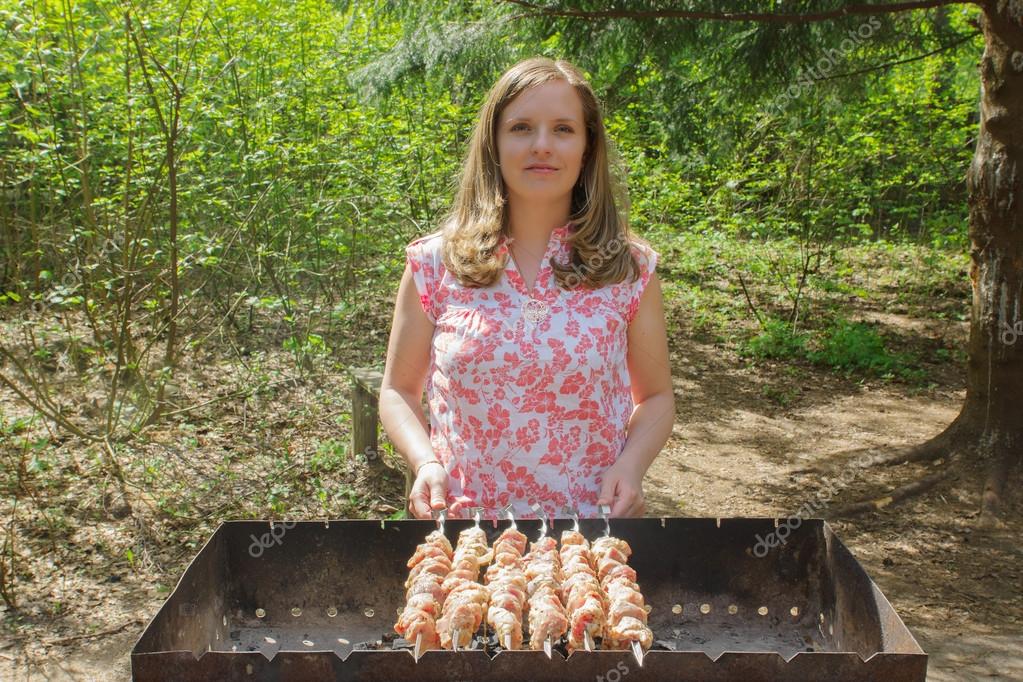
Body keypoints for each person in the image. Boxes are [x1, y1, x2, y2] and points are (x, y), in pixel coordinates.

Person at [379, 57, 674, 521]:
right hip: (465, 535)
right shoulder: (435, 263)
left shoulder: (627, 267)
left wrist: (631, 466)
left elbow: (656, 397)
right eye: (521, 128)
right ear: (493, 143)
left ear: (587, 148)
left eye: (563, 129)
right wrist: (425, 462)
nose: (542, 145)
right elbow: (398, 389)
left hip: (592, 538)